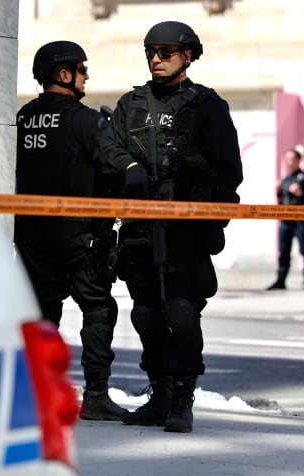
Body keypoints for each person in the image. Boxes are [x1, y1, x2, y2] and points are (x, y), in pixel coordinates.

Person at [100, 21, 243, 433]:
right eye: (151, 53)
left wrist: (207, 209)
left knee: (180, 312)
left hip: (184, 229)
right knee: (145, 314)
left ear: (188, 55)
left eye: (165, 52)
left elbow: (229, 171)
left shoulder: (207, 106)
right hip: (142, 225)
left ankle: (183, 398)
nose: (156, 59)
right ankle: (160, 394)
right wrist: (127, 167)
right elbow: (107, 145)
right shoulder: (132, 104)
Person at [14, 41, 125, 421]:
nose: (86, 76)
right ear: (64, 75)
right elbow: (114, 169)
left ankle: (38, 393)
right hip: (78, 236)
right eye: (81, 69)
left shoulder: (22, 118)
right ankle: (95, 395)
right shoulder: (86, 120)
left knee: (43, 312)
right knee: (98, 308)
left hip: (30, 235)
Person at [266, 148, 304, 290]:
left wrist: (300, 193)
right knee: (283, 251)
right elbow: (282, 201)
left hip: (300, 221)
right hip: (285, 221)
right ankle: (281, 280)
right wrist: (278, 193)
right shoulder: (285, 180)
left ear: (297, 160)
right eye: (286, 159)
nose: (288, 162)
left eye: (290, 159)